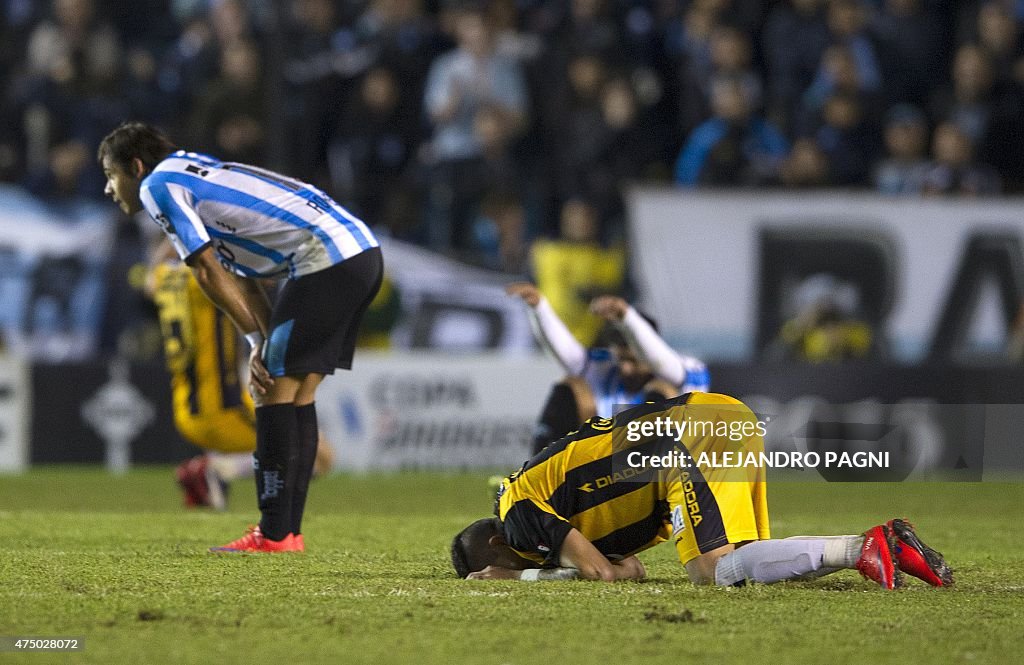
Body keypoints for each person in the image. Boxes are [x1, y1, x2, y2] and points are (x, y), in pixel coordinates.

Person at [98, 121, 382, 553]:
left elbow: (207, 269)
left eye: (110, 175)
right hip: (358, 254)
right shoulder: (195, 175)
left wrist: (254, 344)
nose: (108, 189)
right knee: (296, 393)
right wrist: (263, 342)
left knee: (269, 392)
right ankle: (286, 533)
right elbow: (239, 275)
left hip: (325, 261)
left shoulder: (157, 186)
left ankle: (274, 534)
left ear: (135, 167)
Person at [452, 393, 953, 589]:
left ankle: (864, 547)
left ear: (499, 544)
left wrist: (519, 580)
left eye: (519, 560)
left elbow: (602, 572)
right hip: (715, 419)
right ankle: (889, 549)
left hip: (684, 441)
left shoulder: (517, 509)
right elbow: (630, 569)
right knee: (740, 563)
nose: (532, 561)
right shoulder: (554, 512)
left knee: (710, 571)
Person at [145, 244, 335, 511]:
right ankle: (217, 469)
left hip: (186, 411)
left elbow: (149, 281)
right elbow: (263, 276)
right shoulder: (211, 274)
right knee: (320, 457)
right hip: (224, 409)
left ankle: (211, 478)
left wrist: (172, 233)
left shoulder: (167, 276)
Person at [507, 282, 709, 454]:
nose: (626, 369)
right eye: (621, 360)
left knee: (665, 395)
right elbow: (569, 355)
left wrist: (627, 318)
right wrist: (539, 308)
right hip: (609, 481)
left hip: (669, 478)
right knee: (570, 386)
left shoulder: (688, 371)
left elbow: (661, 362)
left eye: (633, 361)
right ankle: (533, 480)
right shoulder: (607, 370)